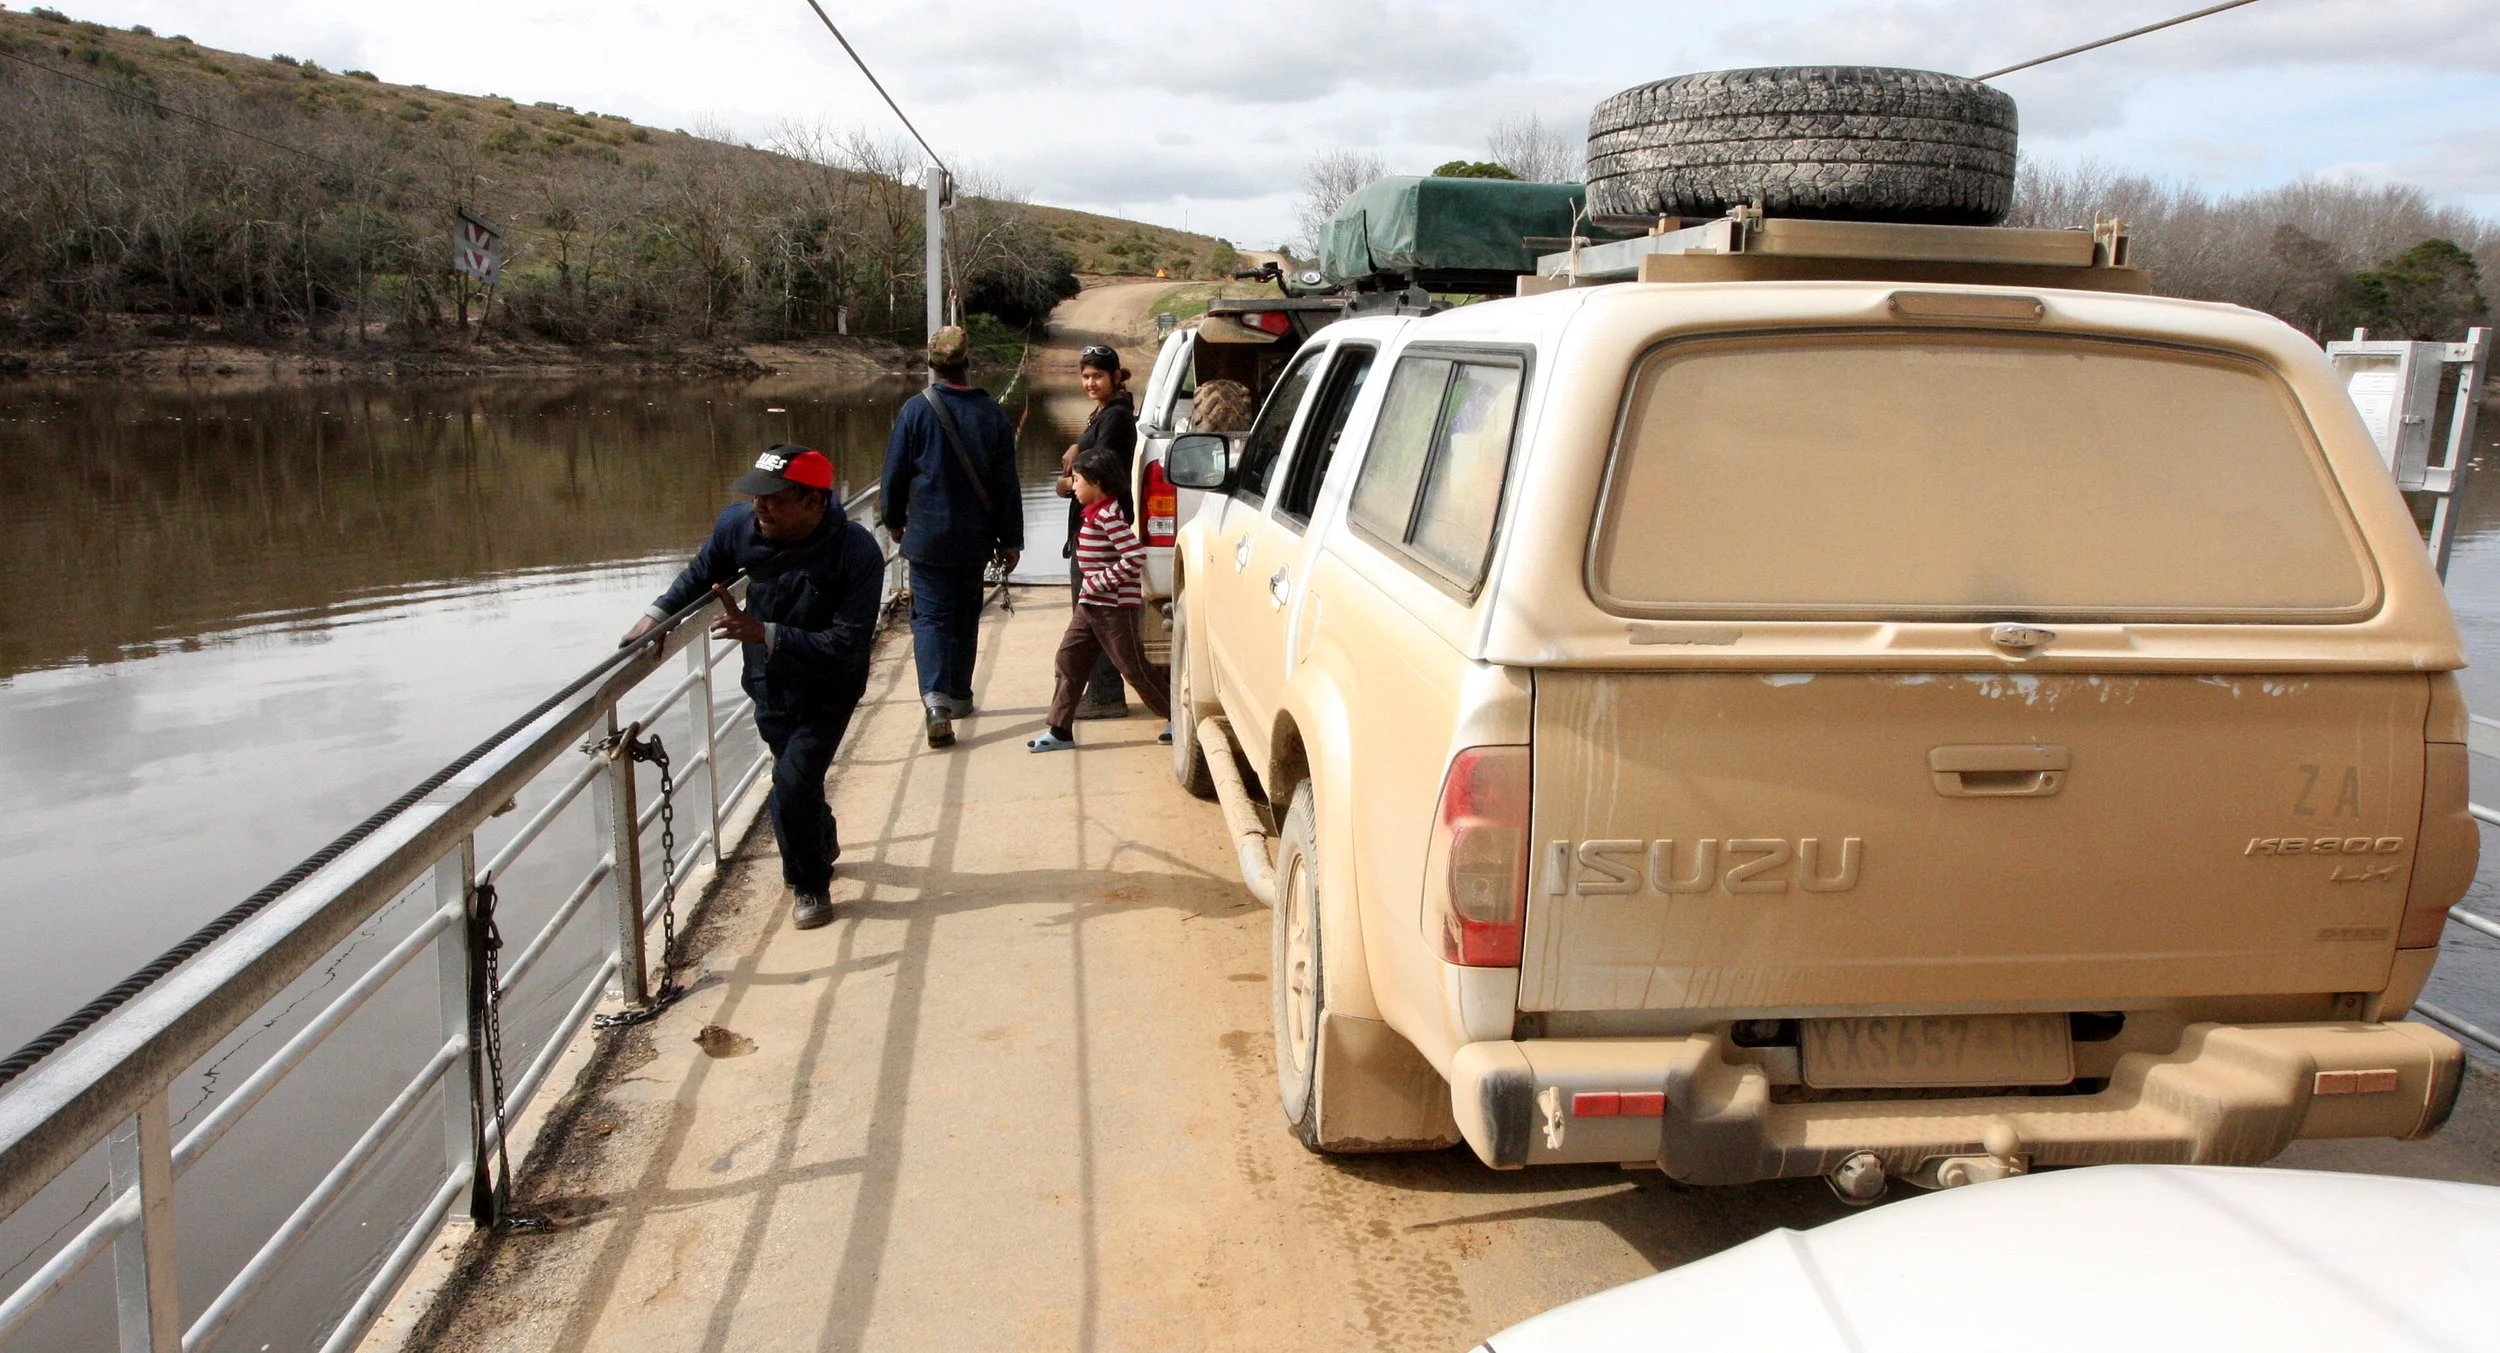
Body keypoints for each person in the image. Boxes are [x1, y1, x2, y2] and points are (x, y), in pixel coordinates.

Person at [620, 444, 883, 932]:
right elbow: (701, 573)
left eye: (775, 498)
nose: (760, 507)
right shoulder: (738, 527)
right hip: (768, 680)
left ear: (813, 501)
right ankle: (818, 839)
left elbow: (847, 644)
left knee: (792, 782)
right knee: (796, 778)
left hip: (830, 686)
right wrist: (656, 617)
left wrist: (764, 632)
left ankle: (809, 882)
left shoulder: (857, 552)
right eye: (756, 496)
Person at [882, 325, 1023, 749]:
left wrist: (893, 520)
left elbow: (895, 475)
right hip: (975, 537)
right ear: (967, 362)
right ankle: (959, 696)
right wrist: (1010, 540)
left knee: (930, 618)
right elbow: (1006, 484)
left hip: (927, 537)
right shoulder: (991, 414)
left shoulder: (914, 411)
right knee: (965, 615)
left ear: (930, 363)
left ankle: (936, 703)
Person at [1030, 448, 1172, 753]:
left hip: (1113, 608)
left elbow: (1134, 556)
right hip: (1090, 605)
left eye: (1078, 480)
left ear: (1096, 482)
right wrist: (1091, 589)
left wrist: (1098, 581)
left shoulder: (1109, 515)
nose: (1073, 487)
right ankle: (1060, 730)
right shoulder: (1093, 513)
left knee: (1132, 667)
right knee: (1069, 659)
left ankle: (1176, 717)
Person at [1056, 344, 1136, 720]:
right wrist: (1077, 447)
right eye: (1086, 376)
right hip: (1090, 523)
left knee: (1094, 613)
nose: (1090, 383)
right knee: (1091, 611)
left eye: (1098, 376)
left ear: (1115, 377)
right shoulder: (1104, 413)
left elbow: (1097, 471)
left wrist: (1067, 481)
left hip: (1101, 527)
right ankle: (1103, 691)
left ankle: (1106, 694)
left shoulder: (1115, 417)